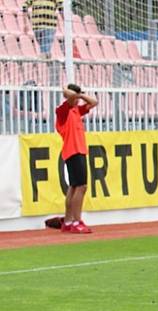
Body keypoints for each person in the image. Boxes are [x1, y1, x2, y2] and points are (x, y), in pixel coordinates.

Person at [55, 83, 96, 234]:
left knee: (73, 187)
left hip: (77, 150)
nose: (78, 100)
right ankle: (77, 221)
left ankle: (67, 221)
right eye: (76, 96)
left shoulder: (76, 111)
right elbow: (70, 96)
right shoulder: (63, 110)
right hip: (74, 150)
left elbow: (94, 102)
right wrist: (72, 94)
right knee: (81, 186)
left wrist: (80, 94)